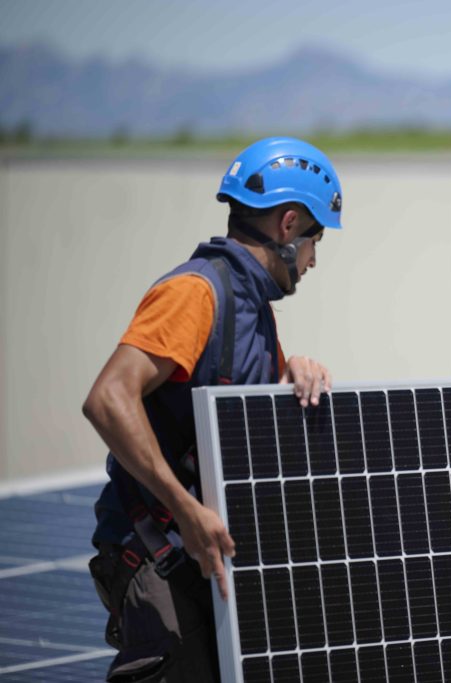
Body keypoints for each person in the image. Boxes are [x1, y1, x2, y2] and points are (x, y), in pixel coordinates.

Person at [82, 137, 342, 682]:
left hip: (197, 556)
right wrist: (184, 510)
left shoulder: (251, 306)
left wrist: (288, 371)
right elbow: (108, 398)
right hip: (160, 555)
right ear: (289, 225)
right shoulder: (195, 293)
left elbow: (218, 412)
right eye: (318, 240)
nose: (317, 259)